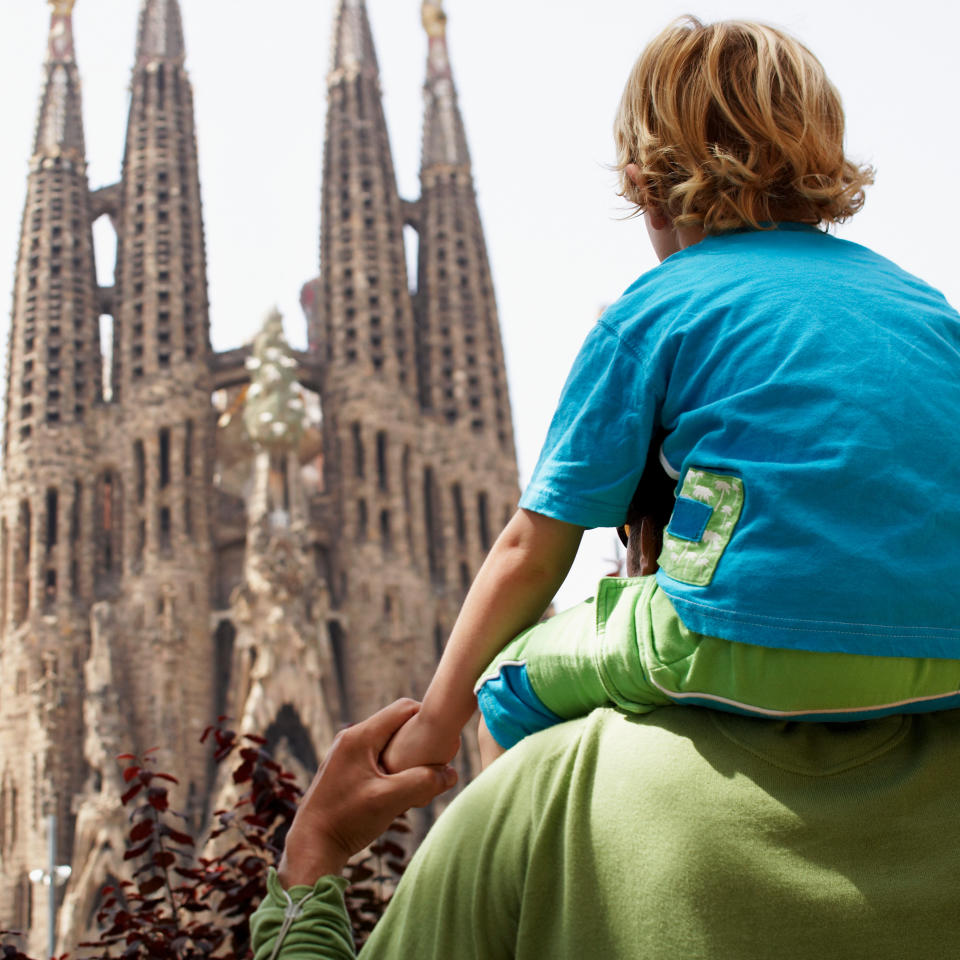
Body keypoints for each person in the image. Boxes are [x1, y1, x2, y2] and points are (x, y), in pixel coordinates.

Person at [383, 16, 960, 772]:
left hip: (740, 646)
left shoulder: (657, 308)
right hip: (946, 653)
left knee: (504, 684)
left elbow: (531, 549)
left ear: (643, 186)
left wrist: (432, 723)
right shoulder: (927, 308)